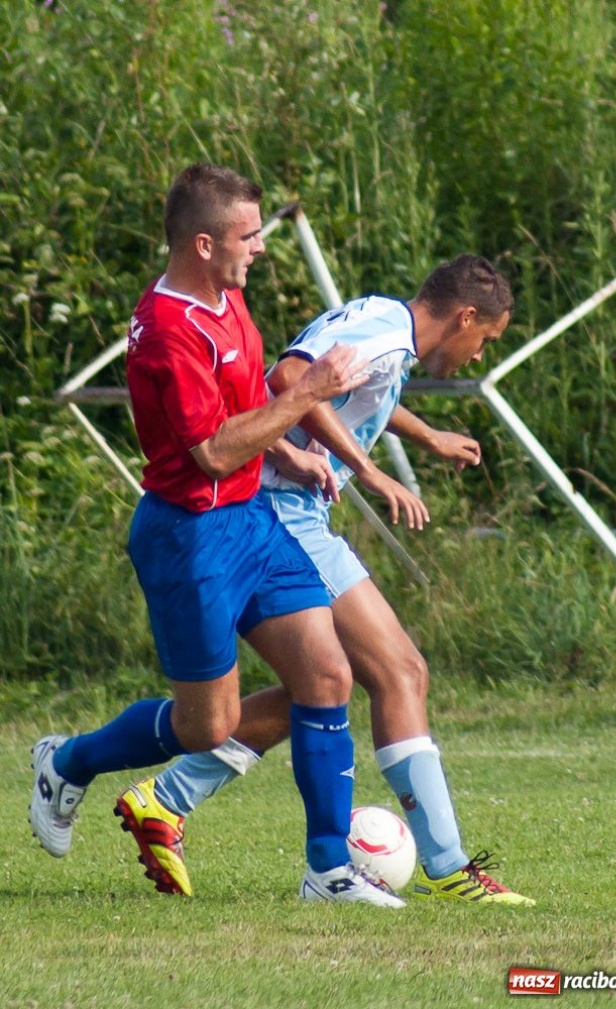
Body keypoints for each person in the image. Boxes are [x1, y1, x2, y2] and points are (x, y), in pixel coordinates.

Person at [29, 162, 405, 908]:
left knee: (327, 675)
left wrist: (293, 453)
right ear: (202, 243)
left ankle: (328, 870)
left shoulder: (227, 300)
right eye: (249, 234)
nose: (260, 247)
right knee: (209, 727)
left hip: (250, 522)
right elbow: (211, 450)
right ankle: (68, 760)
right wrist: (306, 396)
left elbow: (245, 403)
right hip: (189, 537)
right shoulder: (167, 328)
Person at [115, 253, 535, 906]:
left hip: (287, 509)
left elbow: (352, 391)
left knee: (319, 687)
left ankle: (165, 797)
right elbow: (291, 377)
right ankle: (446, 864)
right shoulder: (386, 332)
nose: (481, 352)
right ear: (466, 316)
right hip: (281, 511)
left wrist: (422, 435)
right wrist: (368, 470)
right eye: (486, 338)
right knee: (399, 672)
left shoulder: (384, 324)